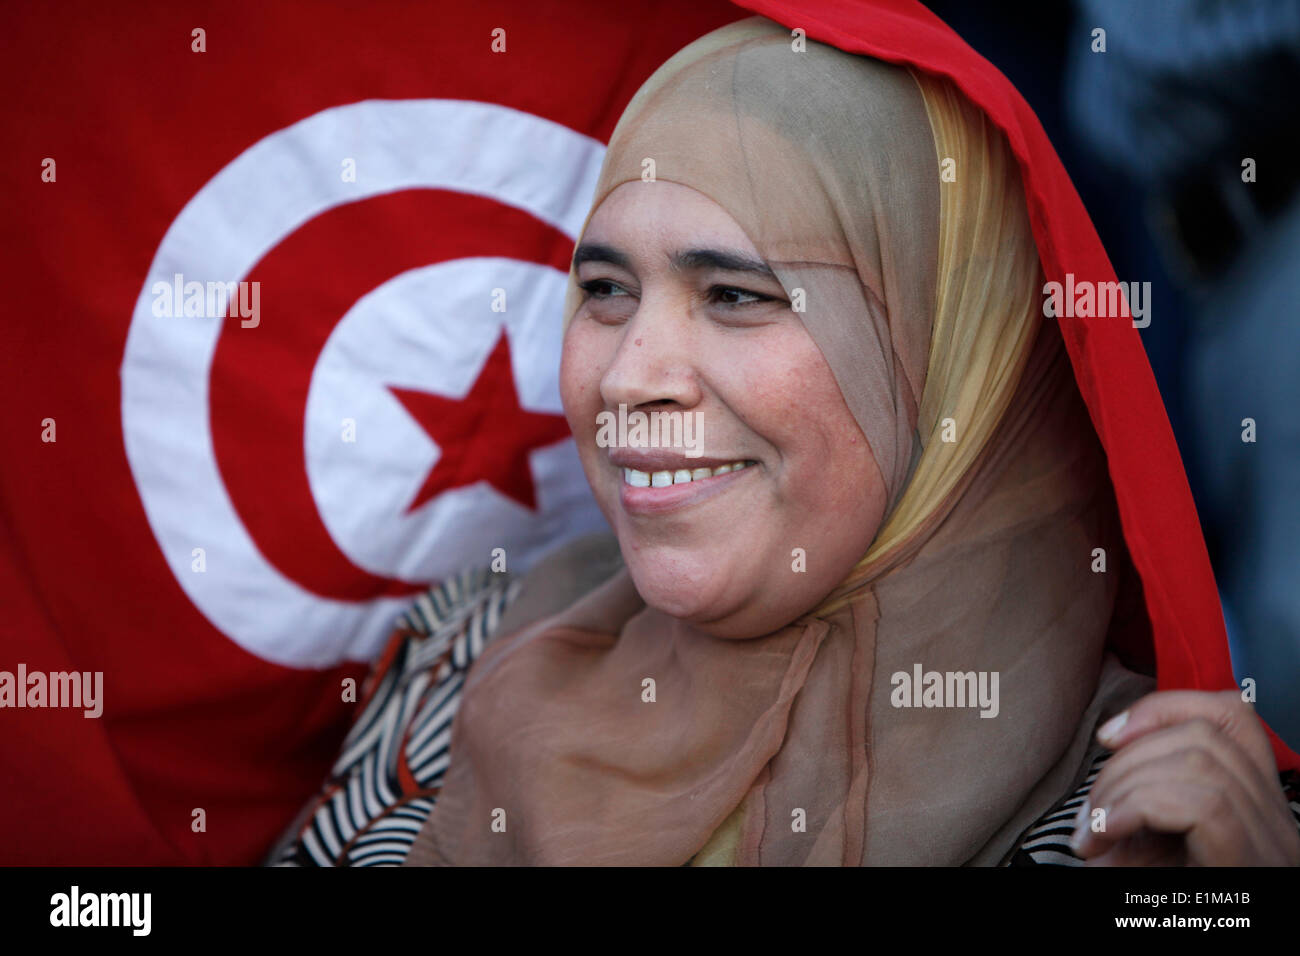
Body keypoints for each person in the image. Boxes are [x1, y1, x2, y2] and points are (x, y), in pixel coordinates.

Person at [270, 9, 1300, 867]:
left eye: (733, 295)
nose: (627, 376)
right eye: (603, 290)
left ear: (946, 358)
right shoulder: (472, 634)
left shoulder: (1170, 824)